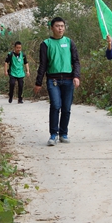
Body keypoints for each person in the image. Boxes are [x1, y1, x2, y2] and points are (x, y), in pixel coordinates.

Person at [34, 17, 81, 146]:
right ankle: (53, 134)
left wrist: (76, 76)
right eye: (57, 26)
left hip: (68, 79)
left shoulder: (69, 42)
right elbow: (43, 64)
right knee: (55, 105)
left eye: (62, 26)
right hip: (53, 80)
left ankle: (63, 133)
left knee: (66, 108)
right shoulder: (46, 44)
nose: (60, 28)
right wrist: (38, 82)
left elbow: (76, 61)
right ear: (51, 28)